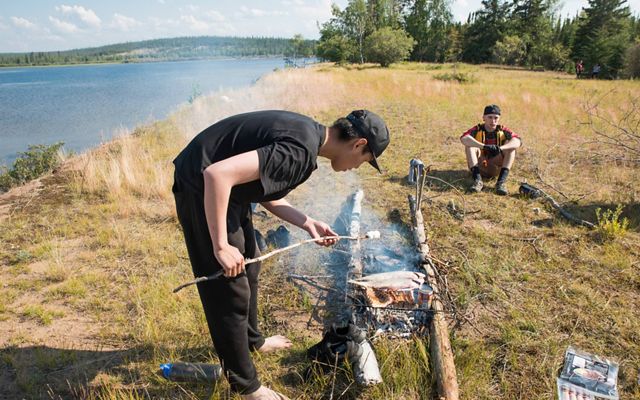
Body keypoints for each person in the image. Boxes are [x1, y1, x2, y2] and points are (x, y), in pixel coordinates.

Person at [172, 109, 390, 400]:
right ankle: (246, 387)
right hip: (202, 187)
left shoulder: (308, 136)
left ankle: (252, 341)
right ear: (359, 144)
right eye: (366, 160)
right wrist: (221, 245)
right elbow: (217, 173)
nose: (358, 166)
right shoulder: (300, 150)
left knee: (250, 263)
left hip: (227, 190)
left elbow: (264, 187)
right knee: (230, 288)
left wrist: (307, 222)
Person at [460, 104, 522, 195]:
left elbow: (518, 141)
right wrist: (483, 146)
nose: (493, 121)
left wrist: (500, 148)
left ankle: (501, 183)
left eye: (496, 118)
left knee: (511, 149)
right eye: (490, 117)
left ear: (499, 118)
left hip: (495, 166)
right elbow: (464, 138)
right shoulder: (477, 129)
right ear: (483, 118)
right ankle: (478, 181)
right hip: (480, 165)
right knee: (470, 146)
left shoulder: (502, 130)